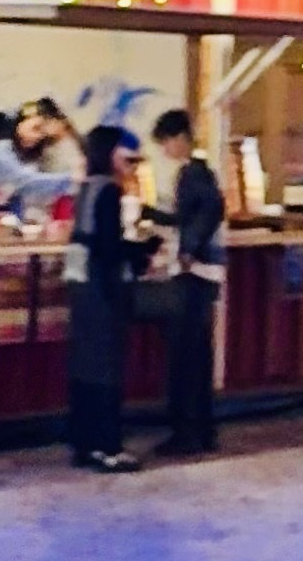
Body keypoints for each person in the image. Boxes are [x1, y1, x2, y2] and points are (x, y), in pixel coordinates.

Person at [64, 125, 148, 473]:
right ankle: (108, 446)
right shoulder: (110, 192)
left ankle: (84, 444)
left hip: (80, 283)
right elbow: (110, 247)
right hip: (102, 286)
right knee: (107, 366)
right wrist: (141, 253)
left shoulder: (86, 188)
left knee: (84, 366)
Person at [146, 108, 228, 454]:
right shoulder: (201, 171)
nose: (165, 150)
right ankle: (202, 430)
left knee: (186, 355)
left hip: (194, 273)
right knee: (197, 354)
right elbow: (197, 213)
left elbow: (210, 210)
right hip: (204, 274)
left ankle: (187, 433)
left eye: (165, 142)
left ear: (179, 138)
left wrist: (189, 248)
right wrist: (153, 214)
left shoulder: (192, 173)